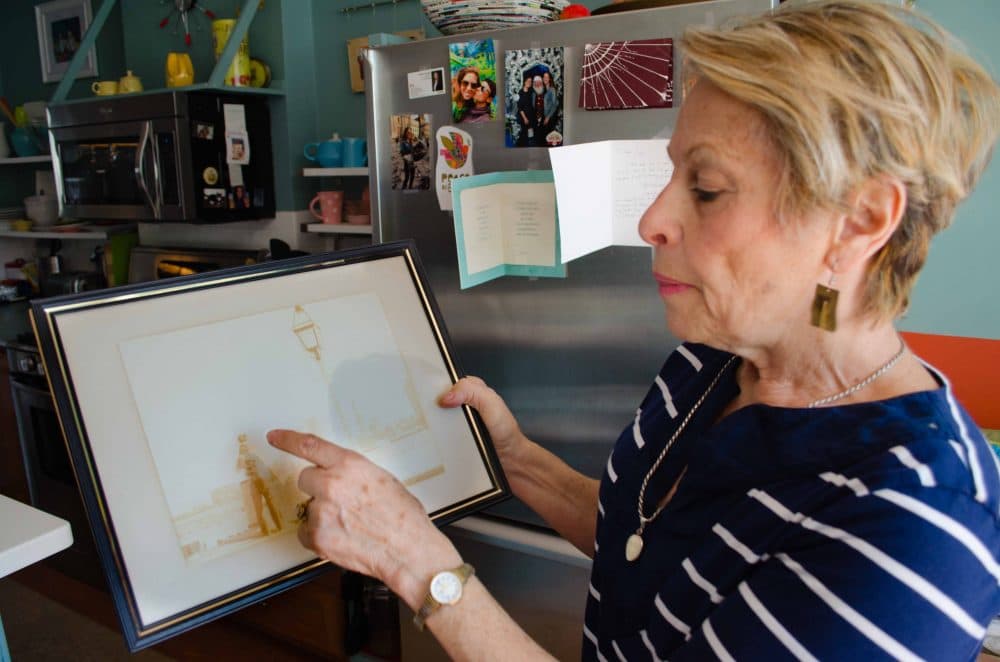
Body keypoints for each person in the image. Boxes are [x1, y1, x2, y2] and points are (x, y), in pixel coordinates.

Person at [267, 2, 1000, 660]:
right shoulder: (712, 359)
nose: (654, 219)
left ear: (861, 221)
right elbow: (651, 541)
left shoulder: (912, 524)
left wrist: (421, 569)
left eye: (707, 189)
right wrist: (519, 461)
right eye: (670, 172)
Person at [516, 74, 534, 146]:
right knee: (524, 134)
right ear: (524, 82)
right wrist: (525, 118)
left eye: (531, 81)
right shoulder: (520, 93)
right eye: (528, 81)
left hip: (531, 116)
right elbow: (520, 107)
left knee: (530, 135)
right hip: (523, 117)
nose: (529, 83)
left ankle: (529, 150)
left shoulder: (531, 91)